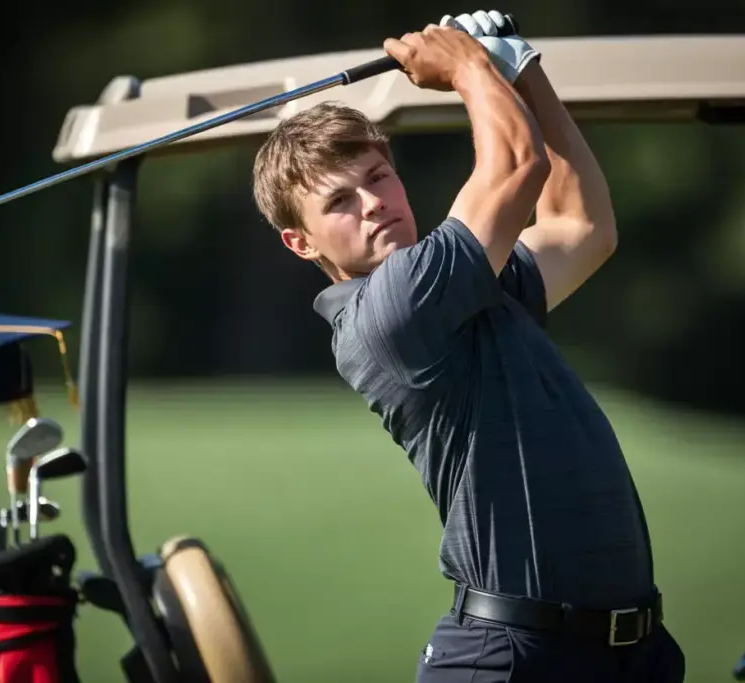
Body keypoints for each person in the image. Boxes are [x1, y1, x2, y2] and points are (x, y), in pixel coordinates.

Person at [251, 10, 685, 683]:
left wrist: (520, 68)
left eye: (377, 176)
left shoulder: (467, 278)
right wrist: (466, 66)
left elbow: (581, 224)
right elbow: (517, 164)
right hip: (514, 658)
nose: (372, 203)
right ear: (300, 243)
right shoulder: (392, 309)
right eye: (340, 201)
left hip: (622, 654)